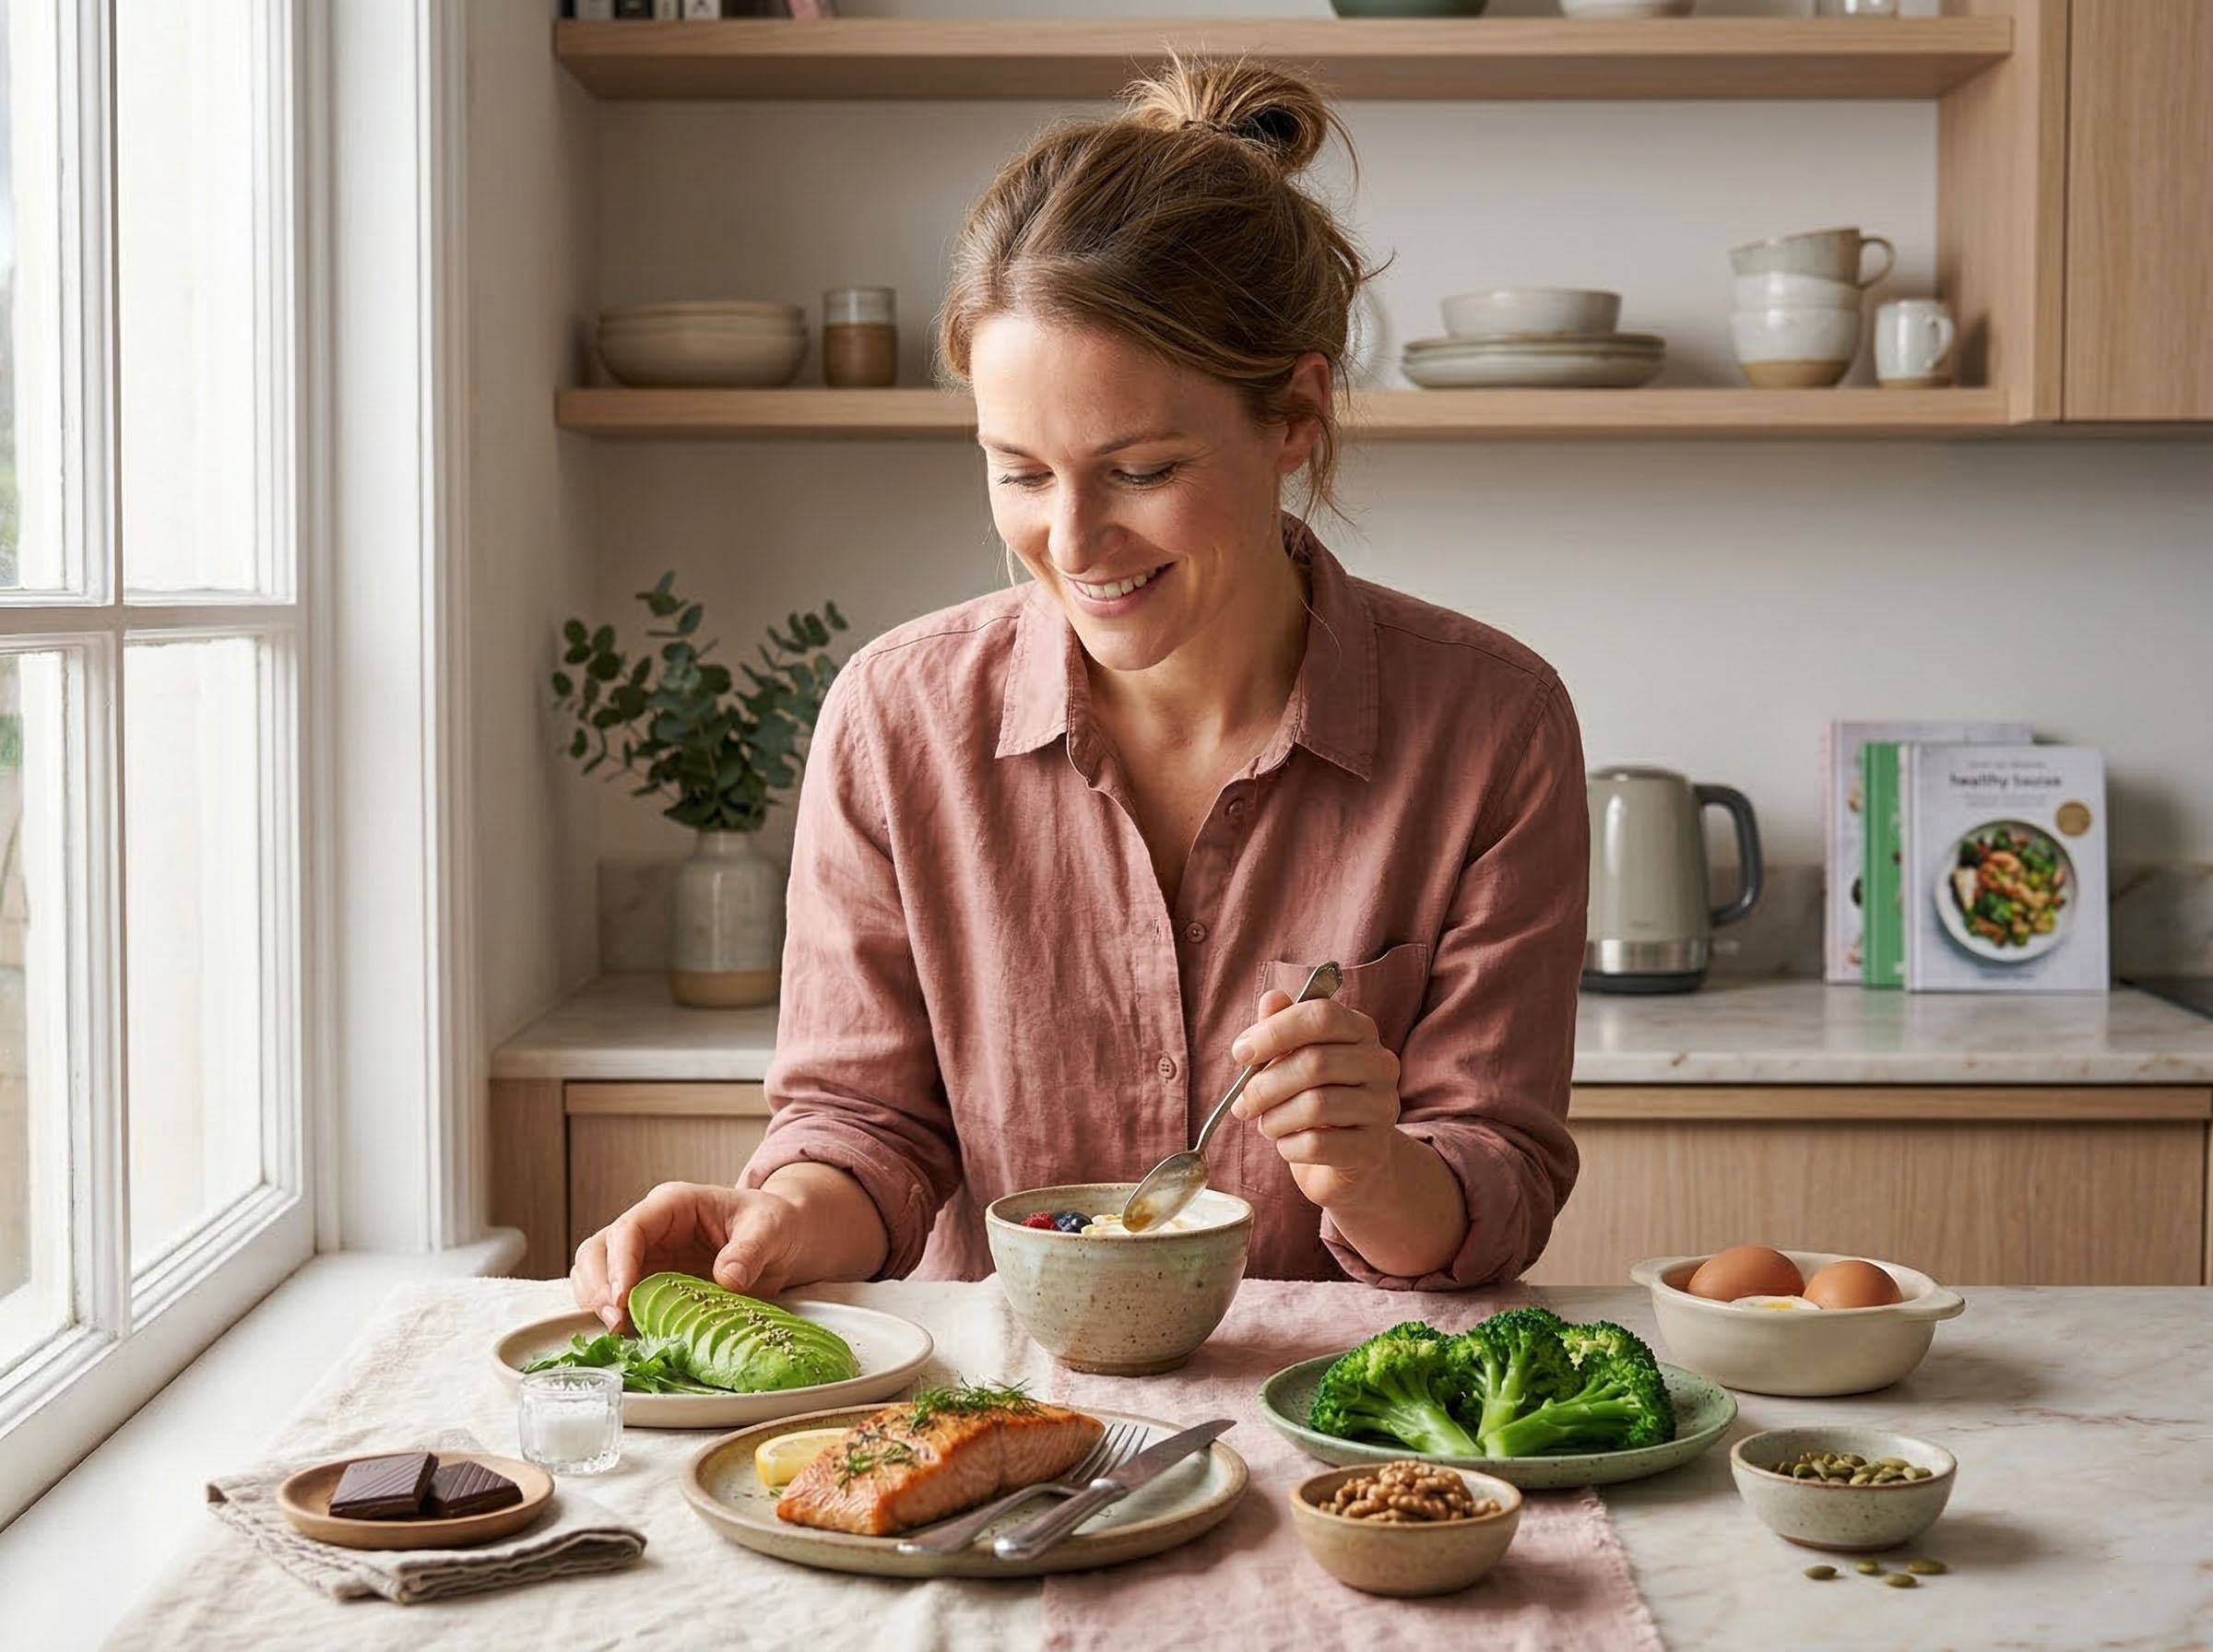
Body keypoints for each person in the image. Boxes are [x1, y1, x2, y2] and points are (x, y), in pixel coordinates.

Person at [571, 57, 1588, 1331]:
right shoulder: (894, 723)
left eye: (1143, 468)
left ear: (1297, 416)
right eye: (1020, 472)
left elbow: (1496, 1180)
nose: (1075, 539)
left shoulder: (1493, 728)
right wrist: (778, 1217)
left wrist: (1375, 1170)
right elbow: (864, 1131)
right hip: (989, 1436)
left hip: (1339, 1440)